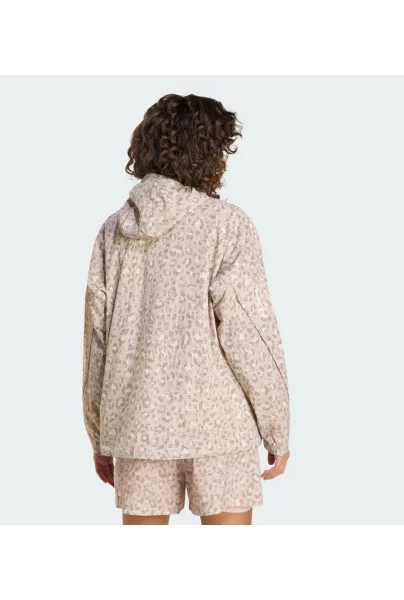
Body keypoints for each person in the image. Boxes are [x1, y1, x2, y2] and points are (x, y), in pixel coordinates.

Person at [82, 93, 290, 525]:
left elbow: (96, 341)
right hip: (219, 427)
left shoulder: (112, 231)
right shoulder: (227, 225)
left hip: (138, 426)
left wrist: (100, 435)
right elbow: (249, 334)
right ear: (205, 152)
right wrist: (277, 427)